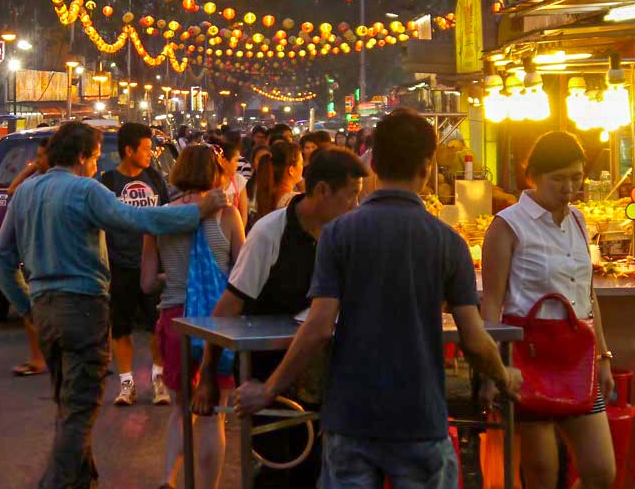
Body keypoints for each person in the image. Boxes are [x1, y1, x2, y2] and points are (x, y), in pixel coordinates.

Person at [236, 109, 521, 488]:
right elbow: (473, 337)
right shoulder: (448, 243)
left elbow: (319, 327)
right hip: (419, 418)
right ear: (426, 165)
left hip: (350, 418)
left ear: (375, 163)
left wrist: (268, 389)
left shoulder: (338, 234)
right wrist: (504, 376)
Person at [0, 121, 228, 489]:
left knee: (68, 404)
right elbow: (135, 219)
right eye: (96, 158)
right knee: (80, 408)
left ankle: (83, 479)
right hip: (82, 309)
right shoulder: (86, 190)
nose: (96, 166)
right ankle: (58, 483)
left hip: (46, 311)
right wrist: (196, 212)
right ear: (83, 156)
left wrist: (28, 308)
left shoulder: (25, 193)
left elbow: (0, 261)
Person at [193, 147, 366, 489]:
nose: (355, 205)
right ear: (321, 191)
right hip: (267, 372)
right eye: (351, 196)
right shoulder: (270, 232)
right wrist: (209, 376)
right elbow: (230, 305)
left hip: (325, 374)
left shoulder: (348, 234)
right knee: (275, 471)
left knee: (318, 468)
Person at [480, 131, 616, 489]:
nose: (569, 187)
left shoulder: (579, 221)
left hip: (578, 354)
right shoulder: (507, 225)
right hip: (528, 356)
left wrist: (603, 356)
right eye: (558, 179)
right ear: (532, 176)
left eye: (576, 176)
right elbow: (491, 301)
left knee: (601, 471)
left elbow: (587, 294)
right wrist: (496, 367)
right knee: (542, 471)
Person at [143, 144, 246, 489]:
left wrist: (174, 276)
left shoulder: (160, 216)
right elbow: (242, 275)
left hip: (174, 319)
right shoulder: (227, 215)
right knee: (211, 416)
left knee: (179, 409)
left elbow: (145, 283)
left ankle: (166, 478)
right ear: (214, 173)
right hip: (216, 323)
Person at [99, 122, 171, 406]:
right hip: (120, 264)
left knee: (157, 326)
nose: (150, 153)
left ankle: (159, 379)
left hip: (152, 265)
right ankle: (126, 383)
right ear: (129, 151)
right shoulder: (108, 183)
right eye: (145, 148)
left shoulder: (155, 178)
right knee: (121, 327)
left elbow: (166, 217)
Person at [8, 140, 50, 378]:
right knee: (32, 307)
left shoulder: (58, 185)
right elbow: (12, 189)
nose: (38, 160)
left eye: (43, 156)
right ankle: (37, 357)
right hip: (34, 253)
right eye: (38, 156)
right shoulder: (32, 184)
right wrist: (33, 167)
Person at [254, 139, 302, 218]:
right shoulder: (295, 201)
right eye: (301, 164)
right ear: (291, 170)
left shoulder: (266, 193)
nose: (302, 167)